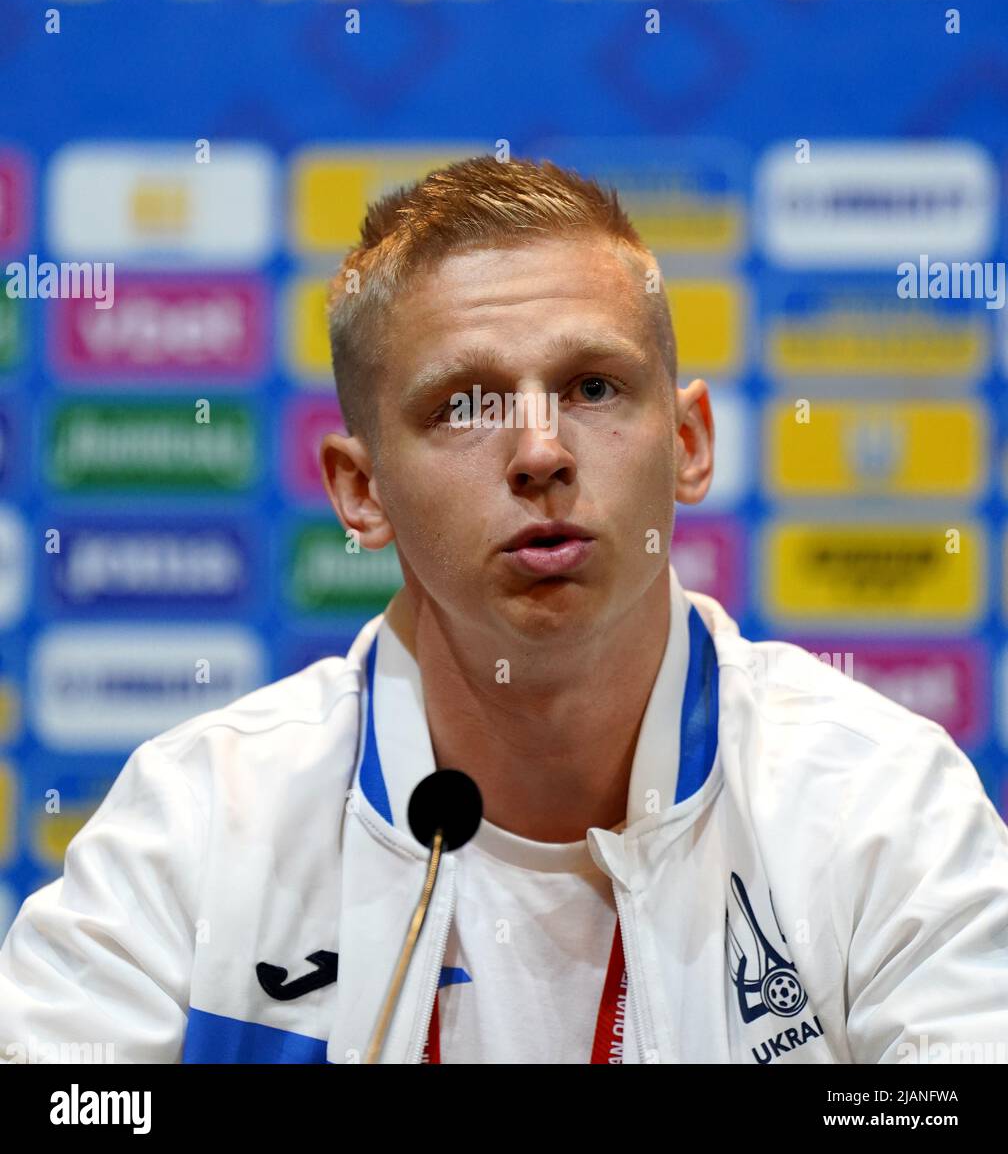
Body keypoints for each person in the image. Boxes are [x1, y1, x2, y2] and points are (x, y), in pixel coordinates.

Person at [2, 154, 1007, 1065]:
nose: (540, 452)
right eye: (464, 404)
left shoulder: (883, 808)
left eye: (594, 387)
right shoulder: (196, 827)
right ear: (362, 491)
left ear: (691, 441)